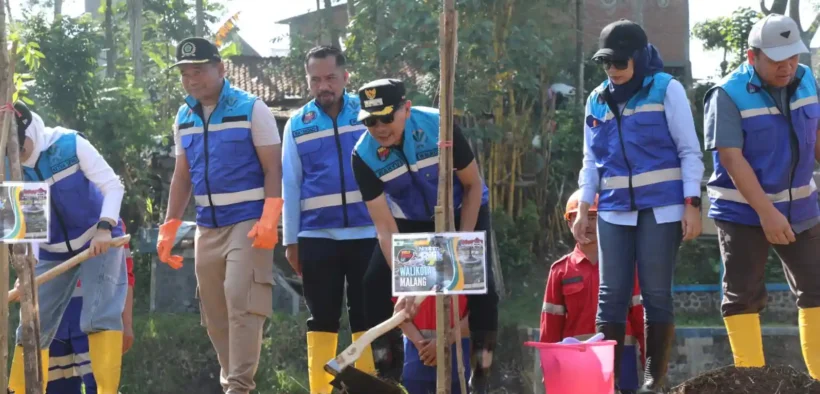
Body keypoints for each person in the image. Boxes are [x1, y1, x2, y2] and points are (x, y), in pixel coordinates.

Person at [573, 20, 704, 393]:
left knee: (655, 293)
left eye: (620, 62)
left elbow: (689, 151)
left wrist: (691, 203)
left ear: (640, 57)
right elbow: (590, 160)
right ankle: (608, 383)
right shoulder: (596, 98)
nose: (612, 70)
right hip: (613, 209)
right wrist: (584, 207)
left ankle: (654, 380)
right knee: (610, 295)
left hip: (661, 209)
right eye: (606, 63)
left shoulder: (667, 89)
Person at [351, 78, 498, 392]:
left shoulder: (439, 127)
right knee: (374, 282)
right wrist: (403, 280)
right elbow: (384, 227)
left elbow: (473, 185)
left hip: (463, 208)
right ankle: (388, 375)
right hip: (410, 221)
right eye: (371, 121)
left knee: (481, 283)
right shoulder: (363, 155)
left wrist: (460, 245)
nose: (379, 128)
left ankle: (482, 374)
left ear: (406, 108)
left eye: (387, 117)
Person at [156, 37, 283, 394]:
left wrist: (270, 217)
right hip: (207, 226)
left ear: (221, 69)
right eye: (184, 73)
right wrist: (170, 227)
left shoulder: (251, 108)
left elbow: (274, 168)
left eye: (198, 71)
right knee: (214, 316)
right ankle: (233, 382)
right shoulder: (183, 116)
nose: (191, 80)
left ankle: (238, 388)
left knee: (241, 302)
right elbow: (182, 176)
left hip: (248, 222)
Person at [703, 14, 820, 380]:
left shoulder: (807, 78)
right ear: (753, 57)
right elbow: (731, 158)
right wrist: (767, 213)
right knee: (743, 296)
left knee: (817, 288)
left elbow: (816, 135)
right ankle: (751, 383)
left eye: (793, 57)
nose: (787, 67)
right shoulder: (726, 94)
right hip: (742, 212)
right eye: (777, 60)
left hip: (801, 206)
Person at [9, 102, 128, 394]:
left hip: (98, 237)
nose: (16, 153)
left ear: (27, 130)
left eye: (18, 145)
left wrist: (104, 227)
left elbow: (112, 186)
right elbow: (29, 228)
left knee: (98, 316)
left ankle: (106, 391)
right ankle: (19, 390)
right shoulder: (10, 167)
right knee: (32, 326)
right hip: (51, 251)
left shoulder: (68, 144)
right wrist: (26, 268)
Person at [281, 45, 378, 393]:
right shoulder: (296, 124)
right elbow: (290, 184)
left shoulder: (369, 113)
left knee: (368, 317)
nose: (324, 86)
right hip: (317, 237)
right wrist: (290, 240)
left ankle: (369, 388)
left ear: (345, 77)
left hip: (369, 235)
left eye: (331, 78)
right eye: (316, 79)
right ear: (308, 81)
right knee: (321, 319)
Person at [540, 190, 645, 394]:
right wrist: (549, 371)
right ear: (570, 223)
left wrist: (651, 364)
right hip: (575, 363)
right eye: (579, 217)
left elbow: (641, 319)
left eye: (593, 217)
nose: (586, 225)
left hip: (622, 360)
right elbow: (550, 327)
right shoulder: (560, 271)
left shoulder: (626, 266)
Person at [46, 222, 136, 394]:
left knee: (100, 386)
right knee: (54, 388)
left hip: (94, 317)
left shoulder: (110, 220)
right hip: (52, 321)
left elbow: (124, 276)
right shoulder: (41, 207)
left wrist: (127, 323)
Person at [398, 295, 470, 394]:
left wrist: (444, 341)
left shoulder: (469, 279)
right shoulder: (407, 279)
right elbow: (398, 311)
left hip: (455, 360)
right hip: (418, 358)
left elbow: (477, 314)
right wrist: (423, 348)